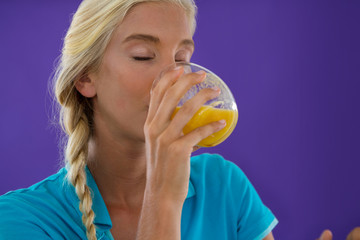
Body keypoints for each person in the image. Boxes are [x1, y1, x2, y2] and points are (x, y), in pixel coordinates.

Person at [0, 0, 278, 239]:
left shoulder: (223, 187)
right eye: (143, 56)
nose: (174, 77)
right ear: (85, 76)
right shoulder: (21, 220)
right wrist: (163, 199)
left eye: (181, 58)